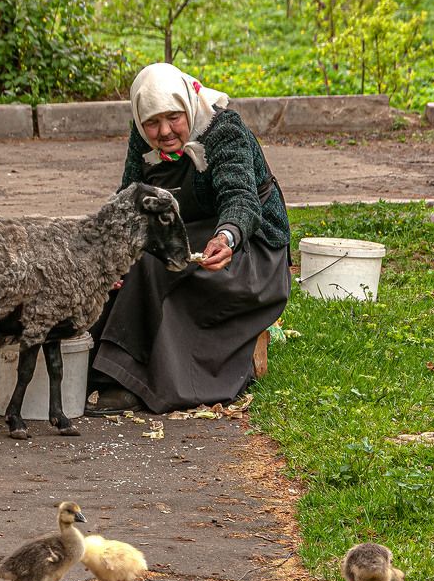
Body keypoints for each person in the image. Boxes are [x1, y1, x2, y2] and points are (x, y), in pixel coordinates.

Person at [85, 62, 291, 416]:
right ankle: (98, 367)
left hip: (248, 251)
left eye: (173, 118)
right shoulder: (142, 135)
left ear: (187, 105)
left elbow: (240, 200)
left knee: (155, 265)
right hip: (192, 234)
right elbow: (130, 199)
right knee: (130, 262)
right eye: (152, 122)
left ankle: (127, 379)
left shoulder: (224, 129)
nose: (163, 131)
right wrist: (110, 255)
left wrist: (227, 237)